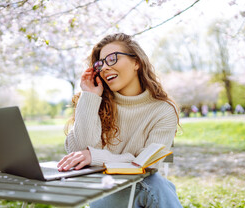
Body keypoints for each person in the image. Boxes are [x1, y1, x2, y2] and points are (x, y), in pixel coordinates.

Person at [57, 33, 182, 208]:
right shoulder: (94, 103)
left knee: (154, 183)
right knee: (158, 186)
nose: (105, 67)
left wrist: (96, 156)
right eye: (101, 63)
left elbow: (148, 164)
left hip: (142, 187)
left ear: (136, 62)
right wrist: (90, 96)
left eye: (112, 59)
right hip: (101, 192)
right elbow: (80, 151)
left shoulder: (163, 110)